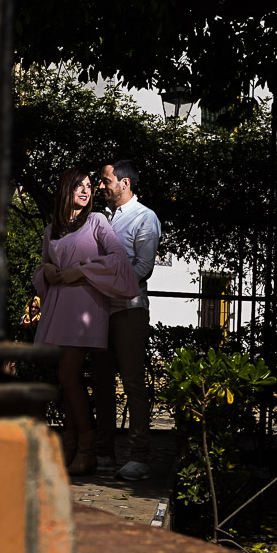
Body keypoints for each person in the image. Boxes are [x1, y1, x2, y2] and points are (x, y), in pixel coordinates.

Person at [34, 168, 140, 476]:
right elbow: (44, 266)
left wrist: (81, 270)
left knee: (68, 377)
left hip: (84, 309)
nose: (85, 190)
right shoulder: (52, 229)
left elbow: (120, 260)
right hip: (58, 307)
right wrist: (48, 272)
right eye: (78, 186)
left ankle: (86, 448)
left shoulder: (97, 222)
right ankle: (71, 445)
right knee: (66, 381)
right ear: (65, 189)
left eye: (88, 186)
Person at [94, 159, 162, 481]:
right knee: (102, 382)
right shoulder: (103, 218)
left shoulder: (144, 217)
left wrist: (110, 286)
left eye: (107, 181)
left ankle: (139, 457)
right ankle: (104, 454)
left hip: (130, 309)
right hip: (100, 311)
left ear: (125, 184)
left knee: (133, 383)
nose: (102, 186)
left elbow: (144, 267)